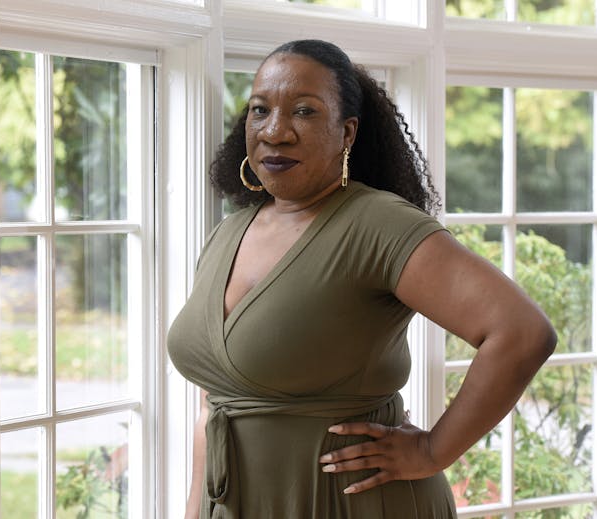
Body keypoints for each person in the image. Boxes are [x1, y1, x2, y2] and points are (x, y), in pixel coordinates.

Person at [167, 39, 556, 518]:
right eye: (260, 110)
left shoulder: (377, 224)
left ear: (346, 132)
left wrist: (433, 450)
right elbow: (213, 408)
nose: (276, 131)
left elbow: (521, 332)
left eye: (304, 112)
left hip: (348, 503)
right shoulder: (229, 232)